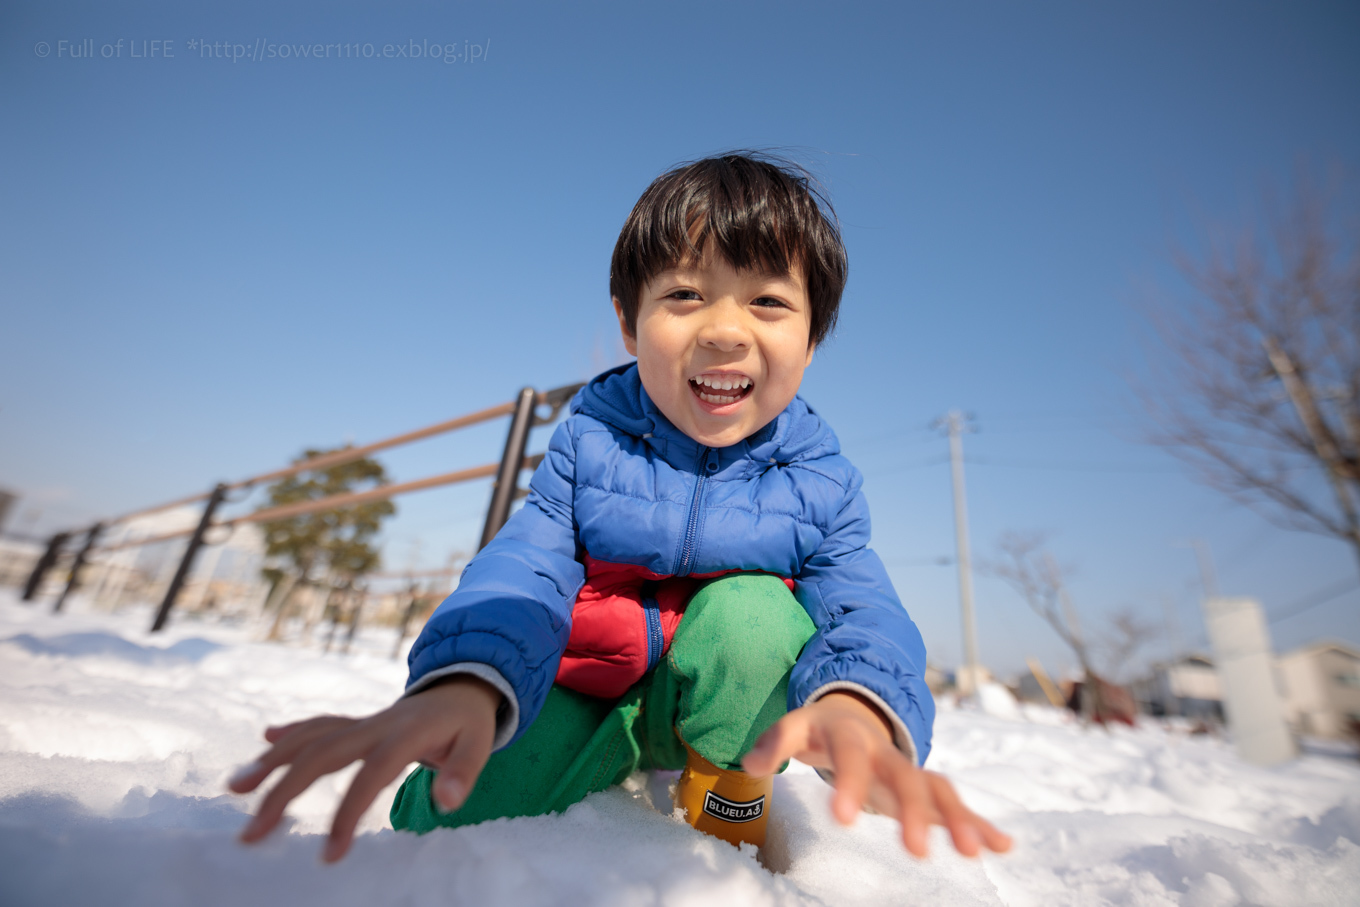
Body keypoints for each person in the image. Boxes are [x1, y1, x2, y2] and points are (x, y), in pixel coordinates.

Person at [229, 152, 1012, 864]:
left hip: (715, 715)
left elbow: (862, 605)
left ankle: (725, 811)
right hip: (578, 692)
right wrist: (464, 682)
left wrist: (859, 706)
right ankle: (471, 776)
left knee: (754, 618)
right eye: (685, 294)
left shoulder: (821, 480)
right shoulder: (588, 445)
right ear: (628, 323)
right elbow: (523, 569)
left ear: (811, 343)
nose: (725, 330)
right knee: (456, 817)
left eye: (768, 302)